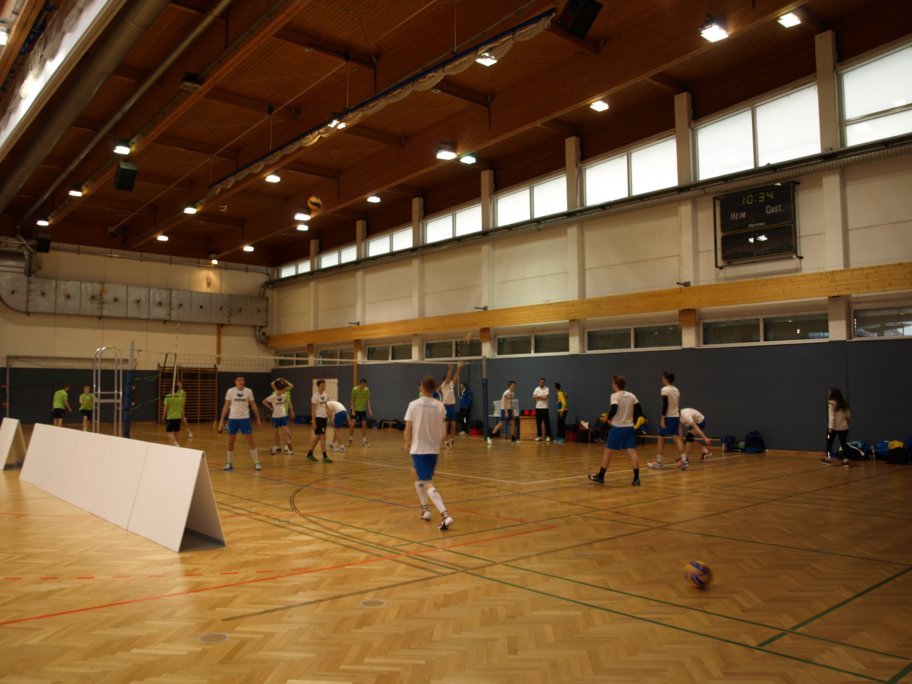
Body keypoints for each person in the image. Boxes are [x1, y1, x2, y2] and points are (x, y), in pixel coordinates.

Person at [404, 374, 453, 530]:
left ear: (421, 388)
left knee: (426, 482)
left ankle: (445, 515)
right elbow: (444, 431)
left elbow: (407, 429)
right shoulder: (440, 406)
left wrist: (406, 444)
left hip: (419, 450)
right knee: (416, 474)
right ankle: (425, 510)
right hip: (433, 450)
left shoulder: (413, 405)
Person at [588, 375, 642, 486]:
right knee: (632, 451)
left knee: (608, 451)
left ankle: (601, 476)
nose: (612, 385)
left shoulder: (614, 395)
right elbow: (639, 410)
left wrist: (608, 418)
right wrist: (630, 418)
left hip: (618, 428)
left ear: (616, 384)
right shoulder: (632, 395)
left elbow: (614, 408)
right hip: (630, 427)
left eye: (613, 383)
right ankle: (636, 478)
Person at [217, 376, 263, 471]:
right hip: (232, 419)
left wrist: (258, 418)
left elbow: (253, 405)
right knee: (230, 442)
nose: (241, 382)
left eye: (242, 380)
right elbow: (226, 406)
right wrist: (221, 421)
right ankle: (229, 463)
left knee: (251, 441)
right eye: (239, 380)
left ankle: (256, 463)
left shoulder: (249, 391)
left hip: (245, 419)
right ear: (235, 382)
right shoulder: (230, 391)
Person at [648, 371, 685, 469]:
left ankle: (659, 462)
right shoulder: (676, 390)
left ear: (666, 379)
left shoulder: (664, 389)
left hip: (668, 417)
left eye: (663, 377)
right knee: (676, 437)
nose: (662, 379)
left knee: (661, 437)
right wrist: (678, 416)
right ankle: (684, 460)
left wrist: (662, 419)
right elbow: (677, 404)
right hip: (676, 416)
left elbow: (665, 405)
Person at [820, 387, 851, 467]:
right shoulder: (844, 403)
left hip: (832, 428)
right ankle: (846, 461)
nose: (828, 393)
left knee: (829, 442)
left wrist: (830, 427)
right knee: (843, 444)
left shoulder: (831, 403)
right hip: (844, 427)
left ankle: (828, 459)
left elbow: (831, 417)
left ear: (833, 394)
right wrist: (847, 423)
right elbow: (848, 415)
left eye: (829, 392)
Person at [263, 380, 294, 455]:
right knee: (276, 433)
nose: (285, 391)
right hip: (275, 417)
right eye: (284, 390)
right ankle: (276, 447)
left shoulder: (284, 396)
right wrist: (271, 409)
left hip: (283, 416)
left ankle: (286, 448)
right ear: (280, 390)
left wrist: (287, 409)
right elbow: (264, 401)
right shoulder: (273, 396)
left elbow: (287, 401)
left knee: (285, 432)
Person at [305, 380, 333, 463]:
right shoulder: (315, 396)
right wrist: (313, 422)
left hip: (324, 418)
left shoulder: (325, 395)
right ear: (318, 386)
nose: (323, 387)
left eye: (324, 385)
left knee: (318, 437)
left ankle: (309, 454)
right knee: (323, 436)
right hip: (318, 418)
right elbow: (313, 410)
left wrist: (331, 416)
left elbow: (326, 406)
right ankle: (325, 457)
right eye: (321, 385)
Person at [486, 380, 518, 444]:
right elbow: (504, 402)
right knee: (501, 424)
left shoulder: (512, 393)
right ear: (509, 386)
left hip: (509, 410)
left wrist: (512, 411)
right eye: (513, 385)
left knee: (512, 423)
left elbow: (510, 402)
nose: (514, 386)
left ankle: (513, 439)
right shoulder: (506, 392)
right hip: (504, 410)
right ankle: (490, 437)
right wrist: (506, 412)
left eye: (515, 385)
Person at [439, 362, 462, 449]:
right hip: (445, 407)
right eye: (447, 379)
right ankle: (445, 442)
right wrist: (451, 369)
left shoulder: (451, 386)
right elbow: (449, 377)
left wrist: (459, 368)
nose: (449, 380)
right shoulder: (443, 385)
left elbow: (455, 377)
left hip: (452, 407)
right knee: (446, 425)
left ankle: (452, 440)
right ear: (444, 380)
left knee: (453, 424)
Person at [271, 377, 295, 449]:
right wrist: (278, 379)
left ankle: (286, 442)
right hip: (277, 413)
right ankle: (278, 446)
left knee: (284, 429)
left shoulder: (286, 392)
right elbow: (272, 384)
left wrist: (283, 379)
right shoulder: (276, 391)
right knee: (278, 431)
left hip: (284, 412)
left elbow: (291, 386)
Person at [350, 378, 373, 446]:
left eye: (365, 385)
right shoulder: (354, 389)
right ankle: (350, 439)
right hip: (355, 409)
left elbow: (368, 400)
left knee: (364, 425)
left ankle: (364, 441)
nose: (364, 386)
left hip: (362, 410)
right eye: (363, 385)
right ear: (360, 384)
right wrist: (353, 410)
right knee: (352, 424)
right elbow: (352, 400)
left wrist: (369, 410)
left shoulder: (366, 390)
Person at [532, 377, 553, 442]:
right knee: (538, 423)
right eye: (540, 382)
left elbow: (546, 397)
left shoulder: (547, 388)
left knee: (547, 423)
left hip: (545, 408)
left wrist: (538, 397)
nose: (541, 383)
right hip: (538, 408)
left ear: (544, 383)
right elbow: (533, 397)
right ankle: (539, 436)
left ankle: (548, 436)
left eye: (543, 382)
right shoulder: (536, 388)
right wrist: (541, 397)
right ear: (539, 382)